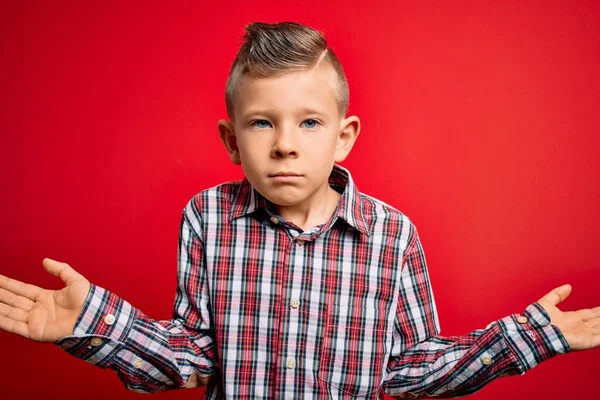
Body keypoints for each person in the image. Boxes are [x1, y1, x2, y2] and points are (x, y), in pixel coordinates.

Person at [0, 21, 598, 399]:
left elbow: (413, 370)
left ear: (344, 136)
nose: (286, 143)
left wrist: (527, 337)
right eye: (262, 123)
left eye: (310, 122)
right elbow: (194, 358)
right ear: (232, 141)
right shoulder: (208, 217)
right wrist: (94, 324)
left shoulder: (392, 236)